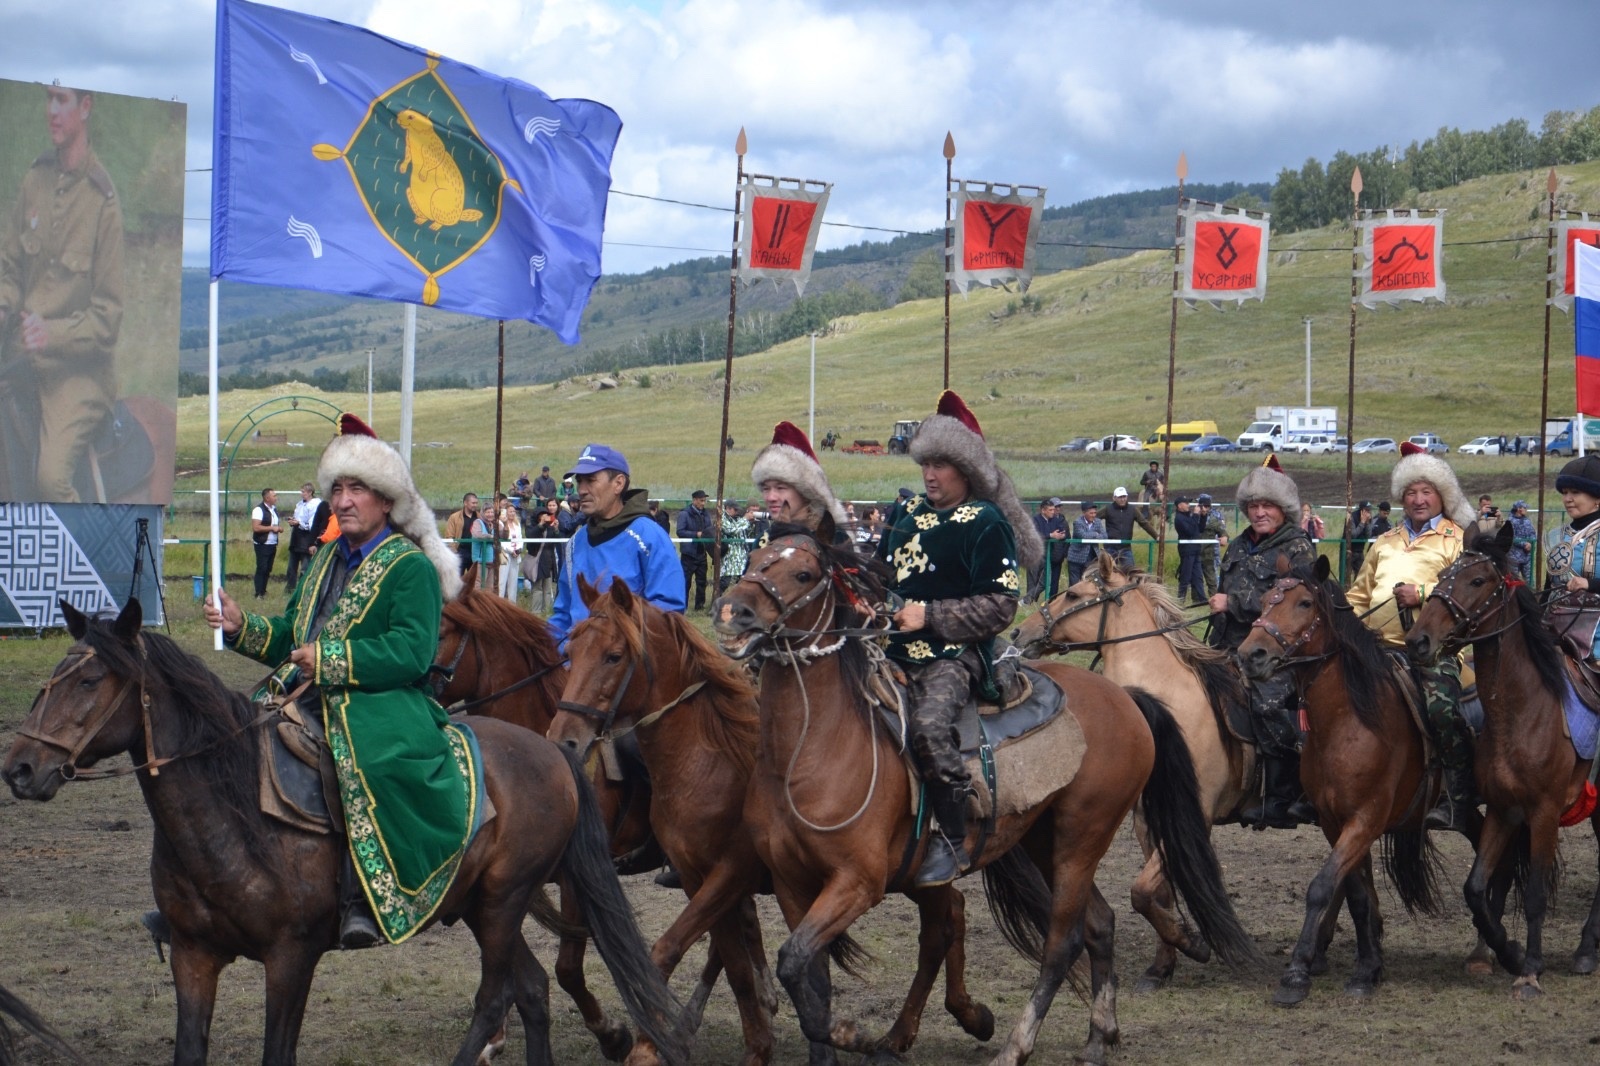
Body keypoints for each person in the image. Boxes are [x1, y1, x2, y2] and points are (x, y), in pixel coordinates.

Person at [203, 413, 471, 949]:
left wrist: (330, 660)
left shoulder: (409, 568)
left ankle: (361, 898)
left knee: (362, 761)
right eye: (339, 489)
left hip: (383, 702)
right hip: (302, 693)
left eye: (359, 489)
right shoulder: (325, 558)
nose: (344, 501)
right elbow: (291, 636)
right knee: (224, 741)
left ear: (387, 501)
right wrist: (241, 627)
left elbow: (413, 654)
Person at [875, 391, 1043, 886]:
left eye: (942, 464)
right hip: (888, 648)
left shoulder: (987, 523)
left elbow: (999, 606)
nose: (930, 474)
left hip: (956, 655)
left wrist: (928, 615)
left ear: (967, 469)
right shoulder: (905, 517)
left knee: (927, 727)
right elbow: (886, 579)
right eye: (926, 462)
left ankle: (954, 837)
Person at [0, 84, 125, 503]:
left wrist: (50, 334)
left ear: (85, 107)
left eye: (62, 100)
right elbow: (11, 268)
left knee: (49, 481)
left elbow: (107, 318)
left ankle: (78, 558)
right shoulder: (34, 181)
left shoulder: (102, 202)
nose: (51, 110)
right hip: (17, 352)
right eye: (47, 99)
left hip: (77, 373)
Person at [1345, 442, 1478, 834]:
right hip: (1376, 647)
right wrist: (1347, 630)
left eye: (1426, 492)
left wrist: (1420, 595)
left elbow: (1470, 594)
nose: (1418, 500)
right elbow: (1357, 595)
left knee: (1442, 711)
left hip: (1434, 652)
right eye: (1411, 493)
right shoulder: (1384, 541)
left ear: (1442, 496)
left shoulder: (1457, 540)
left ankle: (1459, 798)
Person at [1208, 456, 1318, 828]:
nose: (1259, 513)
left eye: (1267, 505)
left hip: (1277, 655)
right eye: (1253, 506)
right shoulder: (1238, 545)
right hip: (1228, 644)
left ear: (1283, 509)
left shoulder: (1298, 547)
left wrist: (1233, 604)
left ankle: (1284, 792)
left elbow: (1296, 603)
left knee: (1266, 704)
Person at [547, 443, 684, 649]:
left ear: (618, 483)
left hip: (624, 666)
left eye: (591, 480)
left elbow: (667, 612)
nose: (581, 490)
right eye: (580, 481)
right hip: (574, 664)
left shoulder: (649, 537)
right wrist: (535, 645)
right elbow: (564, 613)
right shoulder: (576, 542)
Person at [751, 421, 851, 536]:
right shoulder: (763, 543)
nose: (770, 497)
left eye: (780, 487)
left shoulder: (834, 539)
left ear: (805, 491)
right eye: (765, 488)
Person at [1547, 459, 1600, 598]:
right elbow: (1549, 588)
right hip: (1557, 616)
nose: (1567, 499)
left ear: (1598, 498)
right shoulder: (1556, 536)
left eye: (1575, 492)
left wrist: (1590, 584)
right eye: (1565, 493)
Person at [287, 481, 331, 590]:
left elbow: (312, 525)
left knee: (305, 567)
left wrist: (299, 523)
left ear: (310, 492)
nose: (302, 494)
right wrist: (293, 521)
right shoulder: (300, 504)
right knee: (291, 566)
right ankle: (290, 588)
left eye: (303, 492)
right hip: (296, 537)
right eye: (301, 492)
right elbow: (298, 516)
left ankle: (303, 588)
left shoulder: (315, 505)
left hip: (306, 538)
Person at [676, 489, 715, 611]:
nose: (703, 503)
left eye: (705, 501)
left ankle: (699, 606)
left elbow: (709, 528)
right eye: (701, 501)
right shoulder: (684, 514)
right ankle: (683, 605)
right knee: (686, 582)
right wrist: (696, 534)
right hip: (688, 554)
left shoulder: (706, 514)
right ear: (694, 500)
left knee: (702, 582)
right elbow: (680, 532)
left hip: (702, 552)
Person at [1103, 486, 1159, 568]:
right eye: (1120, 497)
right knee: (1107, 573)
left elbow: (1144, 523)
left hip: (1126, 548)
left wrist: (1156, 536)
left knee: (1130, 572)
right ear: (1114, 498)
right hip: (1110, 548)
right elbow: (1093, 518)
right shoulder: (1108, 509)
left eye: (1124, 497)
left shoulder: (1132, 510)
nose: (1123, 499)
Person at [1025, 497, 1069, 603]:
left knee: (1045, 581)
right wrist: (1050, 535)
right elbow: (1035, 535)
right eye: (1050, 510)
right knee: (1033, 579)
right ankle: (1029, 602)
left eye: (1053, 509)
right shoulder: (1034, 520)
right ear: (1043, 510)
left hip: (1048, 554)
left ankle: (1027, 600)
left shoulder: (1056, 520)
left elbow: (1063, 532)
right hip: (1035, 554)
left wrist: (1061, 536)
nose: (1053, 512)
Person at [528, 496, 564, 614]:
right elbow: (530, 536)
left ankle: (547, 611)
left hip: (548, 560)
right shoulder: (532, 525)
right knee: (537, 588)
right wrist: (541, 524)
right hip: (536, 560)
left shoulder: (550, 526)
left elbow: (557, 539)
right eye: (542, 515)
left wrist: (556, 529)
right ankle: (536, 612)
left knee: (547, 589)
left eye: (546, 514)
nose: (545, 516)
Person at [1173, 496, 1206, 605]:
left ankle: (1202, 600)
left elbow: (1200, 529)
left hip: (1196, 549)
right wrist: (1196, 515)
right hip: (1187, 551)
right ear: (1179, 506)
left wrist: (1203, 516)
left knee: (1198, 576)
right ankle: (1180, 600)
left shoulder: (1190, 516)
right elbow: (1190, 531)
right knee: (1185, 577)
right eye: (1186, 503)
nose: (1188, 505)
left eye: (1188, 502)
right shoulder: (1179, 519)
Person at [251, 487, 282, 599]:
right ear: (267, 498)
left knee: (268, 568)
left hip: (272, 543)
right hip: (262, 544)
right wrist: (272, 528)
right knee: (262, 568)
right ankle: (258, 593)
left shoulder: (273, 509)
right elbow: (256, 527)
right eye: (274, 496)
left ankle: (263, 591)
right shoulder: (258, 510)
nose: (276, 498)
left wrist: (278, 528)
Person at [1196, 493, 1227, 598]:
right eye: (1202, 506)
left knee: (1211, 578)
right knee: (1195, 578)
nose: (1204, 508)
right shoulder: (1194, 516)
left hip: (1209, 552)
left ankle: (1214, 598)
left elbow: (1222, 530)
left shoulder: (1215, 517)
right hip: (1194, 552)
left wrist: (1224, 537)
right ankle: (1197, 600)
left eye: (1207, 506)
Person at [1067, 501, 1105, 586]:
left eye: (1095, 513)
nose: (1093, 515)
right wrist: (1095, 534)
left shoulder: (1098, 522)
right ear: (1084, 513)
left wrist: (1095, 536)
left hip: (1091, 558)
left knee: (1088, 584)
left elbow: (1104, 536)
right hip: (1076, 558)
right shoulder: (1077, 522)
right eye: (1091, 513)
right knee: (1074, 585)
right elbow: (1083, 536)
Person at [719, 498, 751, 593]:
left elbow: (743, 533)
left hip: (741, 557)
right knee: (724, 582)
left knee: (742, 582)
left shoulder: (737, 519)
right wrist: (745, 519)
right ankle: (716, 601)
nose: (737, 512)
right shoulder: (721, 518)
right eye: (735, 509)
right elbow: (730, 530)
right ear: (728, 508)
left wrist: (750, 522)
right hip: (729, 557)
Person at [444, 493, 479, 575]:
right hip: (460, 552)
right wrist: (454, 552)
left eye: (476, 503)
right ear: (465, 503)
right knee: (457, 579)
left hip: (475, 552)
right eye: (473, 503)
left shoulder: (479, 516)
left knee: (474, 580)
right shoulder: (454, 517)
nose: (475, 505)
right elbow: (449, 536)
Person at [494, 494, 522, 599]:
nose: (512, 513)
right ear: (506, 512)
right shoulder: (501, 523)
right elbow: (502, 541)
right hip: (505, 555)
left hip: (516, 555)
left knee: (513, 583)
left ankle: (512, 604)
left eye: (514, 511)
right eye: (510, 511)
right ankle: (500, 602)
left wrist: (519, 549)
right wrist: (511, 550)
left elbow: (520, 538)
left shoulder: (517, 524)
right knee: (502, 581)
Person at [1507, 499, 1536, 583]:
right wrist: (1524, 544)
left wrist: (1531, 543)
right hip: (1514, 557)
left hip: (1526, 556)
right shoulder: (1510, 521)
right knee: (1514, 580)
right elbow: (1511, 537)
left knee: (1529, 581)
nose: (1526, 510)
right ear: (1519, 509)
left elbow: (1532, 533)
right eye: (1525, 508)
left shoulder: (1527, 521)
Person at [1344, 500, 1374, 580]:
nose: (1368, 513)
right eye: (1366, 510)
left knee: (1360, 576)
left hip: (1360, 550)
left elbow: (1368, 535)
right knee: (1346, 576)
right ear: (1361, 510)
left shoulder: (1369, 518)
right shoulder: (1352, 517)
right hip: (1348, 550)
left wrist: (1367, 523)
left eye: (1369, 510)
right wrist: (1362, 522)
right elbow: (1353, 535)